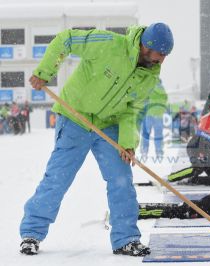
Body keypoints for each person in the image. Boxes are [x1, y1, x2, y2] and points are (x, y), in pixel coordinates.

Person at [19, 22, 174, 256]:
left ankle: (126, 239)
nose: (162, 60)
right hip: (75, 118)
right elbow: (67, 39)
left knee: (122, 181)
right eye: (160, 54)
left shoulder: (149, 76)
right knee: (57, 179)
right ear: (146, 46)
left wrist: (127, 143)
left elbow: (132, 110)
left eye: (166, 55)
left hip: (109, 124)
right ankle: (31, 233)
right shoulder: (109, 44)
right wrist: (45, 72)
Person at [167, 68, 210, 186]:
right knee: (197, 169)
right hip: (198, 144)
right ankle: (170, 179)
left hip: (207, 148)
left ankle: (193, 180)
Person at [140, 78, 168, 159]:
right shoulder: (162, 89)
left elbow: (143, 100)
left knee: (146, 134)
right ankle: (159, 151)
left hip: (149, 114)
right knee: (158, 135)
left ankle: (144, 151)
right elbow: (165, 101)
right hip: (159, 115)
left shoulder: (149, 87)